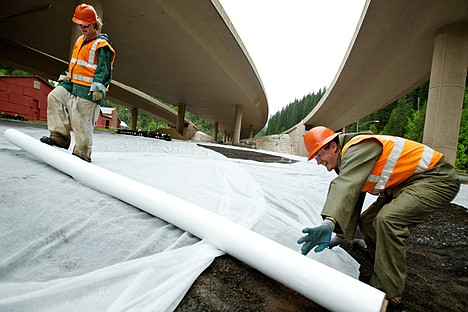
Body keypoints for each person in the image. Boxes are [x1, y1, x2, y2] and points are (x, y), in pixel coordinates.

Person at [297, 126, 460, 307]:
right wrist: (338, 235)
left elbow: (345, 186)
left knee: (388, 220)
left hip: (436, 179)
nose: (318, 162)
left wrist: (328, 223)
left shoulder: (358, 148)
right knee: (368, 221)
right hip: (406, 183)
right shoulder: (348, 157)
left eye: (318, 155)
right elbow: (352, 197)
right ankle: (382, 260)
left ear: (333, 147)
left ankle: (388, 293)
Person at [41, 3, 116, 162]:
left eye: (85, 25)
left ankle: (82, 153)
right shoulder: (80, 40)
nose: (82, 27)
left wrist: (99, 86)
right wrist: (67, 76)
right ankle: (60, 136)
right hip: (72, 83)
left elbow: (104, 69)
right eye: (79, 24)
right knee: (54, 97)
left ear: (94, 24)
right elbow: (76, 64)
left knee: (80, 117)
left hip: (89, 89)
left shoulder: (102, 45)